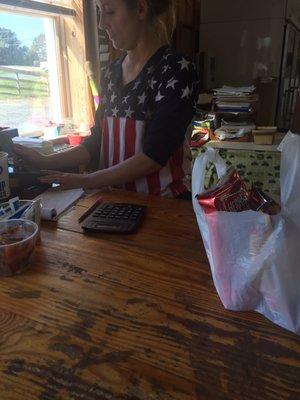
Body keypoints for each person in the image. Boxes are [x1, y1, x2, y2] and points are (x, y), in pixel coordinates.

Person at [14, 0, 199, 198]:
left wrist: (87, 181)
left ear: (141, 9)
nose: (102, 24)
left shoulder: (176, 69)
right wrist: (44, 160)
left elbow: (155, 155)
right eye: (100, 12)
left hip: (162, 205)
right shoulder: (111, 73)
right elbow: (96, 142)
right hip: (115, 202)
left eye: (109, 12)